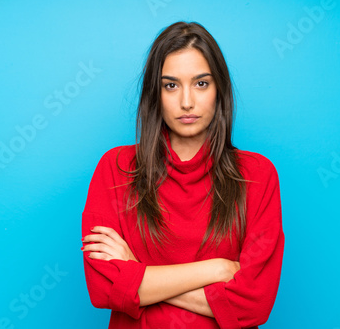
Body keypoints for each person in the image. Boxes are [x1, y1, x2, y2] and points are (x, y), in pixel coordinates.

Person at [81, 21, 284, 328]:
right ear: (155, 93)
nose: (186, 101)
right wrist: (216, 269)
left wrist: (135, 272)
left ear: (220, 91)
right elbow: (103, 289)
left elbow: (252, 305)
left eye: (201, 83)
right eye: (171, 85)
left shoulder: (257, 175)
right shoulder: (116, 167)